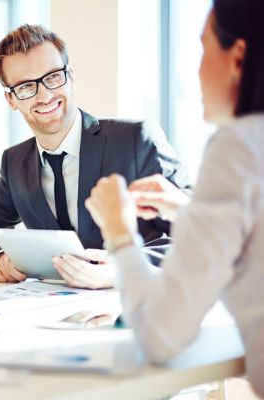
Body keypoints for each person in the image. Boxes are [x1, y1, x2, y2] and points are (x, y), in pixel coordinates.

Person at [54, 0, 264, 396]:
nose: (196, 70)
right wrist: (189, 211)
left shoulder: (238, 148)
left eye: (203, 49)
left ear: (237, 58)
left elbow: (160, 337)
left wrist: (119, 233)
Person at [0, 24, 191, 285]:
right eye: (25, 87)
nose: (44, 95)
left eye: (53, 77)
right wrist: (0, 259)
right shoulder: (15, 163)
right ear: (11, 100)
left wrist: (126, 267)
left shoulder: (135, 141)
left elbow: (199, 230)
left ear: (71, 77)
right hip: (52, 312)